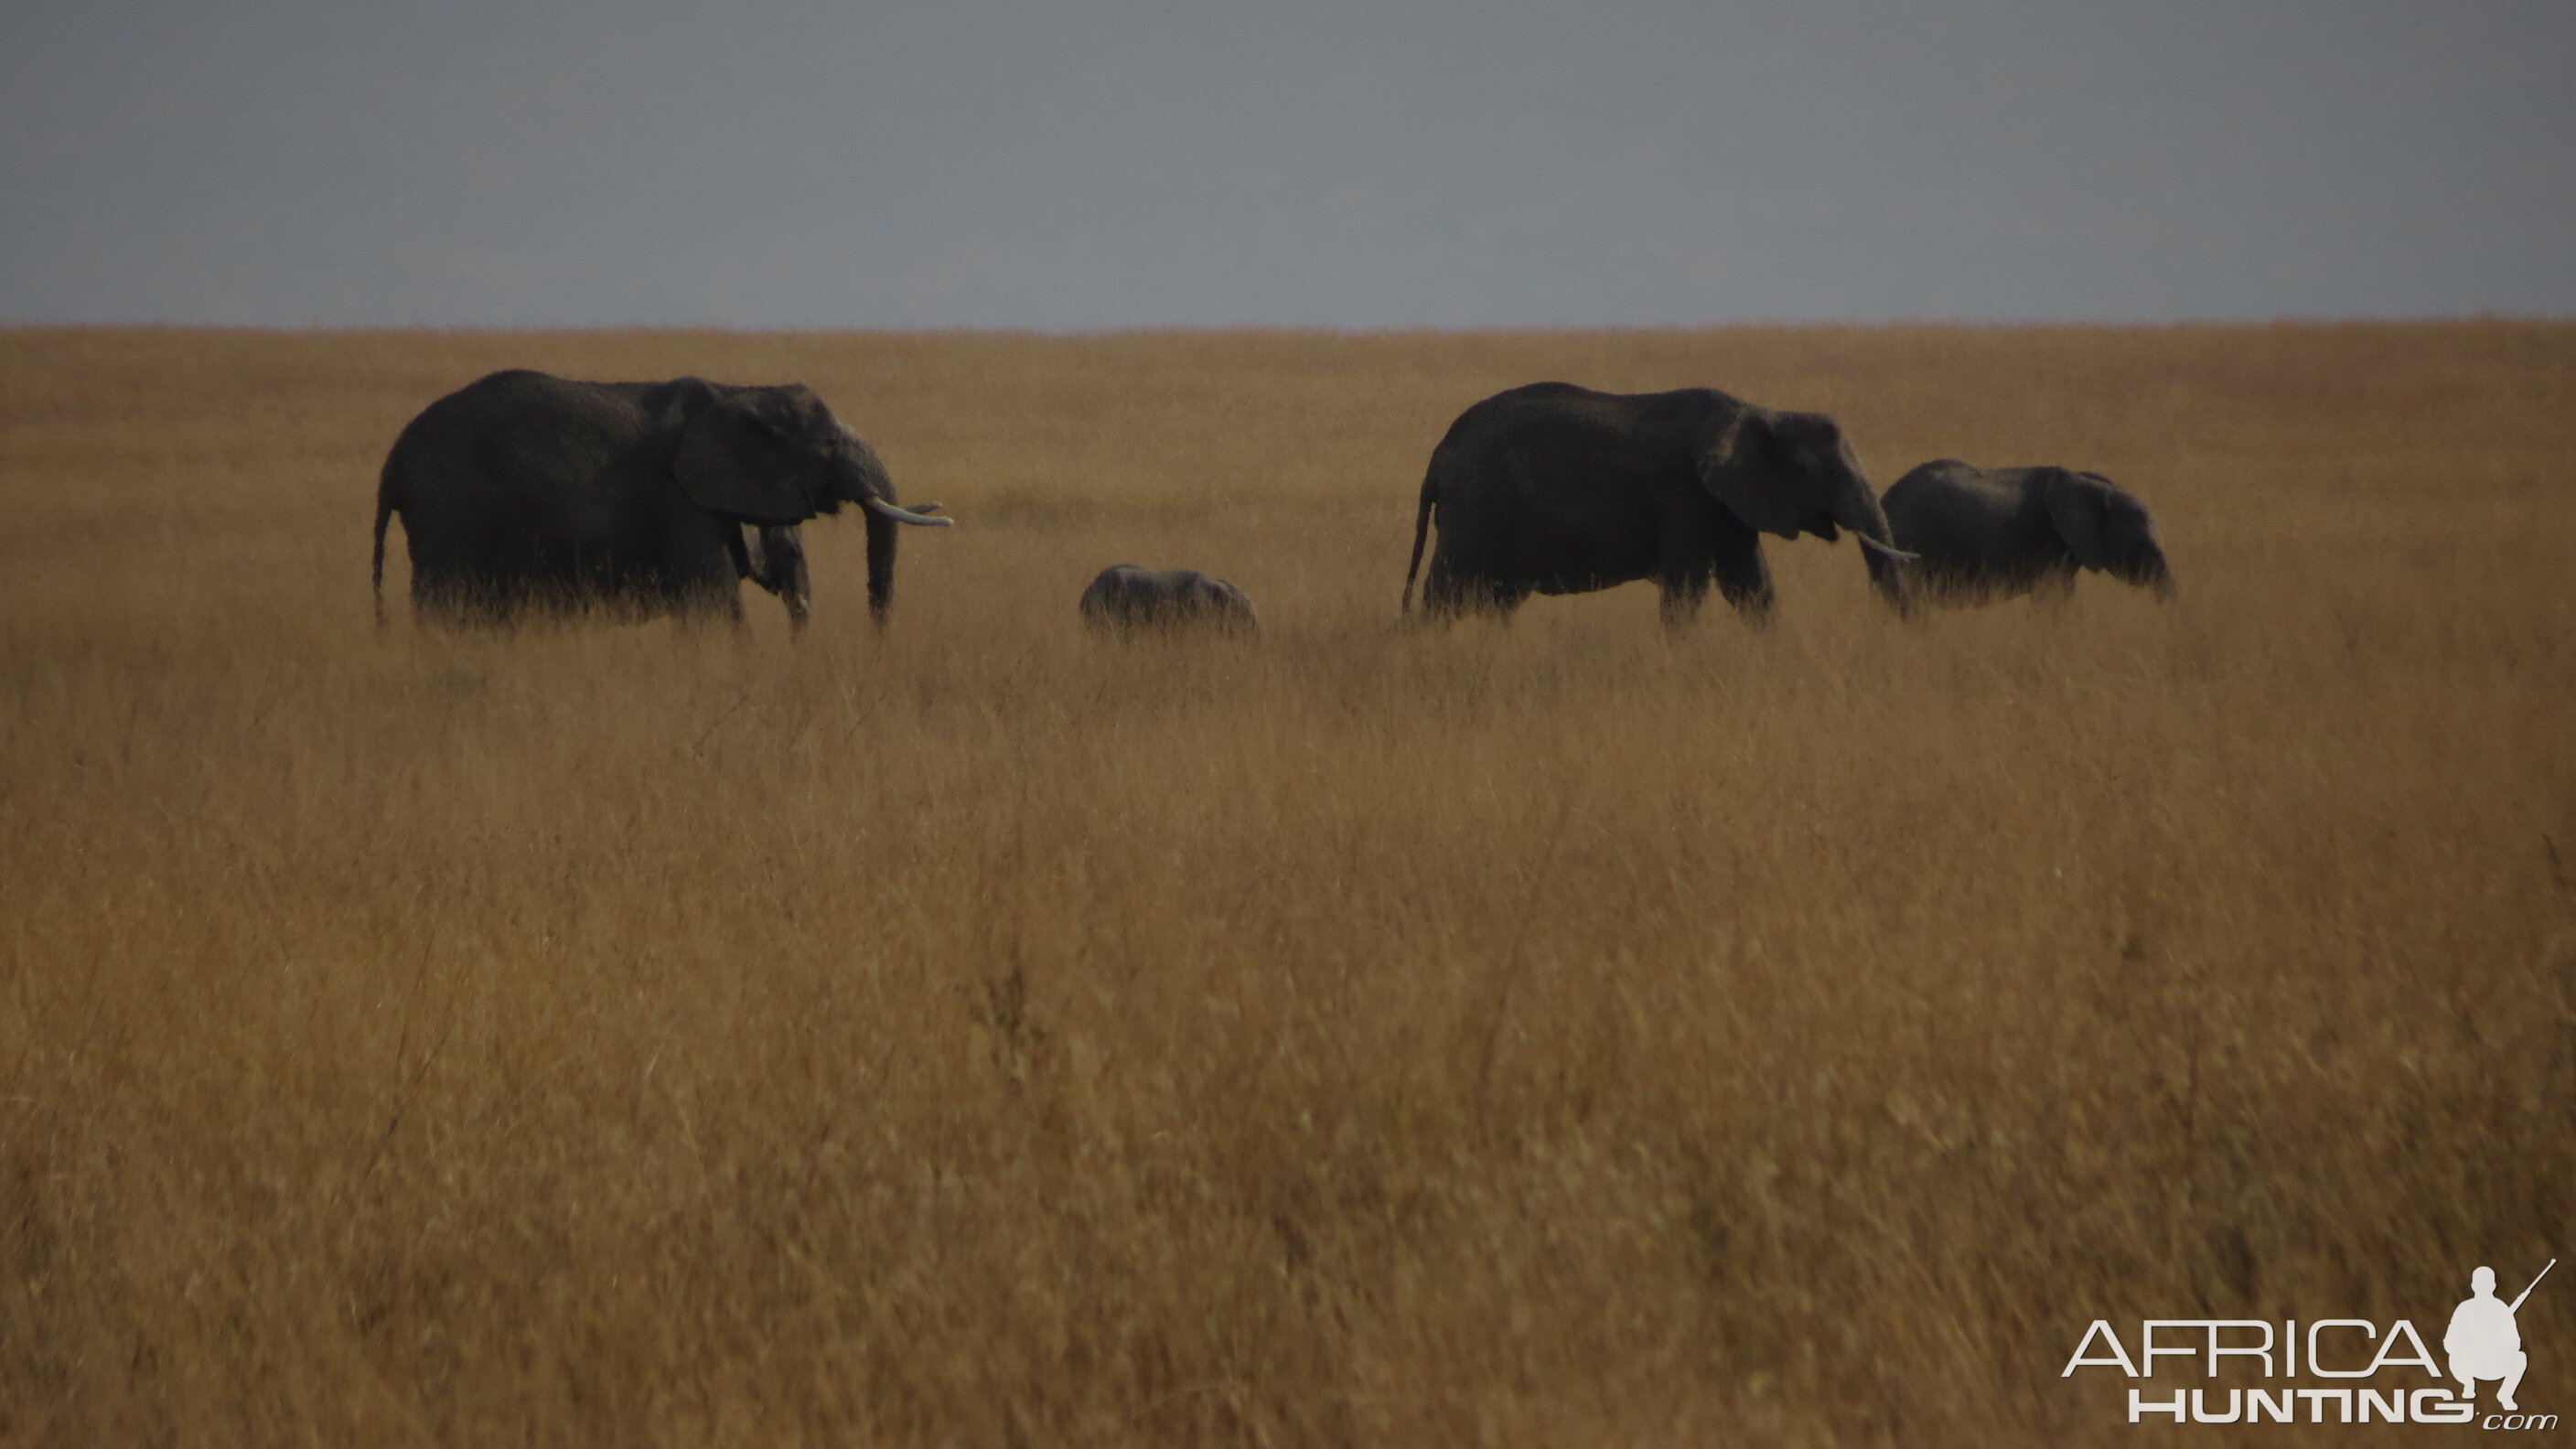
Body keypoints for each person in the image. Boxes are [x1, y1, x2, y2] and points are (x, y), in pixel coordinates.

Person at [2447, 1266, 2528, 1411]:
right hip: (2469, 1365)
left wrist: (2498, 1343)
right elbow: (2449, 1342)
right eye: (2480, 1284)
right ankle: (2468, 1384)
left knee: (2520, 1358)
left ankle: (2505, 1394)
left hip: (2495, 1365)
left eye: (2486, 1284)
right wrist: (2469, 1346)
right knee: (2455, 1356)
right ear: (2473, 1286)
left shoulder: (2502, 1309)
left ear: (2493, 1286)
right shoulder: (2464, 1309)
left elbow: (2516, 1343)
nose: (2483, 1288)